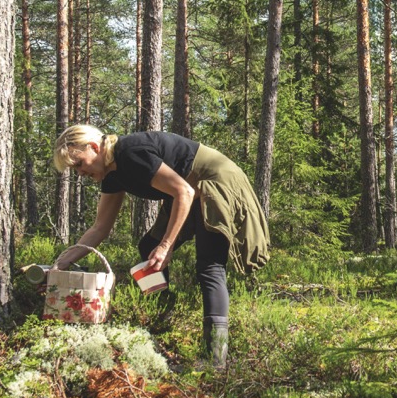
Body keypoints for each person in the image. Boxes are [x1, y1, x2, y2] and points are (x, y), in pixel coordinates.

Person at [51, 126, 270, 368]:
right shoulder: (112, 174)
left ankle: (215, 358)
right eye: (75, 169)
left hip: (215, 181)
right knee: (149, 247)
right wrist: (62, 263)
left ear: (94, 148)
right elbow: (99, 228)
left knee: (209, 265)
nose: (80, 172)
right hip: (189, 191)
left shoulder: (131, 153)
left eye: (80, 163)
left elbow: (183, 192)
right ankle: (163, 317)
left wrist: (167, 246)